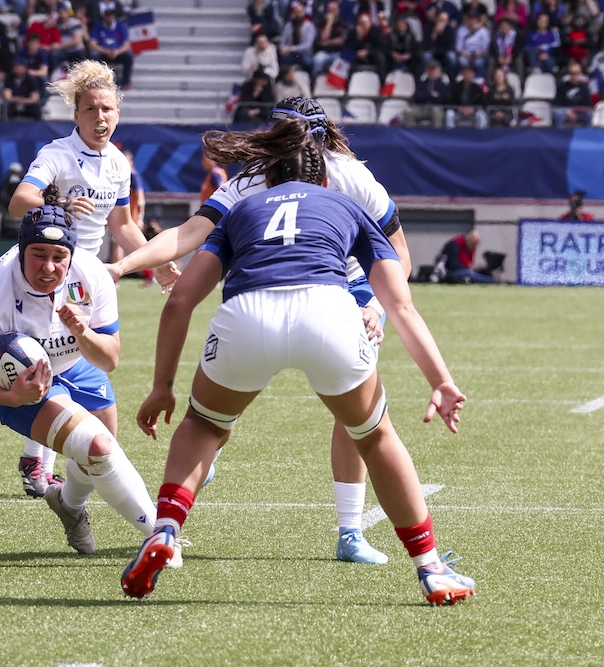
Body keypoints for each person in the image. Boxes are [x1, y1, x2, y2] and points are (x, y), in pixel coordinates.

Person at [120, 120, 477, 607]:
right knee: (373, 436)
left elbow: (180, 298)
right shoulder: (346, 203)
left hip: (247, 315)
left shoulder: (242, 207)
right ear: (324, 179)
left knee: (203, 425)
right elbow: (400, 304)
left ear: (268, 176)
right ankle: (431, 567)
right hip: (327, 312)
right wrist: (441, 380)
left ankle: (164, 530)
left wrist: (162, 385)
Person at [106, 97, 413, 565]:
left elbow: (396, 253)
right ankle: (399, 551)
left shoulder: (347, 175)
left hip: (329, 283)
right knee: (366, 421)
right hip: (297, 288)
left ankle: (348, 530)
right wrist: (124, 264)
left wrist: (373, 304)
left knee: (218, 412)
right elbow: (190, 232)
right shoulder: (255, 175)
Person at [0, 185, 167, 560]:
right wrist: (12, 397)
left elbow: (109, 359)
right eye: (38, 255)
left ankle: (67, 505)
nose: (49, 267)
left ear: (71, 256)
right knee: (98, 447)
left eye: (58, 257)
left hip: (77, 363)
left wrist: (83, 332)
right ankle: (160, 534)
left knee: (98, 455)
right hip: (18, 386)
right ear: (21, 251)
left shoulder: (91, 275)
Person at [7, 59, 176, 498]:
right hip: (47, 269)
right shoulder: (56, 155)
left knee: (80, 358)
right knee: (56, 358)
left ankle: (41, 456)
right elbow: (19, 200)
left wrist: (153, 259)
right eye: (91, 110)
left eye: (108, 110)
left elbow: (121, 225)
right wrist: (57, 203)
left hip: (90, 277)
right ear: (76, 114)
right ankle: (37, 457)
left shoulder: (118, 163)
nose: (101, 118)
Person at [431, 228, 497, 283]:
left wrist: (478, 268)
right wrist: (469, 267)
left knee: (479, 272)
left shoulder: (471, 248)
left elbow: (469, 264)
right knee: (469, 273)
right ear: (469, 240)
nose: (475, 247)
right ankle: (492, 281)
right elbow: (453, 265)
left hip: (464, 270)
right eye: (473, 244)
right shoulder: (455, 244)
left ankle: (491, 279)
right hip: (449, 272)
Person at [0, 162, 24, 240]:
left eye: (16, 172)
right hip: (6, 223)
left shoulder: (24, 188)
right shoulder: (4, 187)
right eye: (12, 172)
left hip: (20, 224)